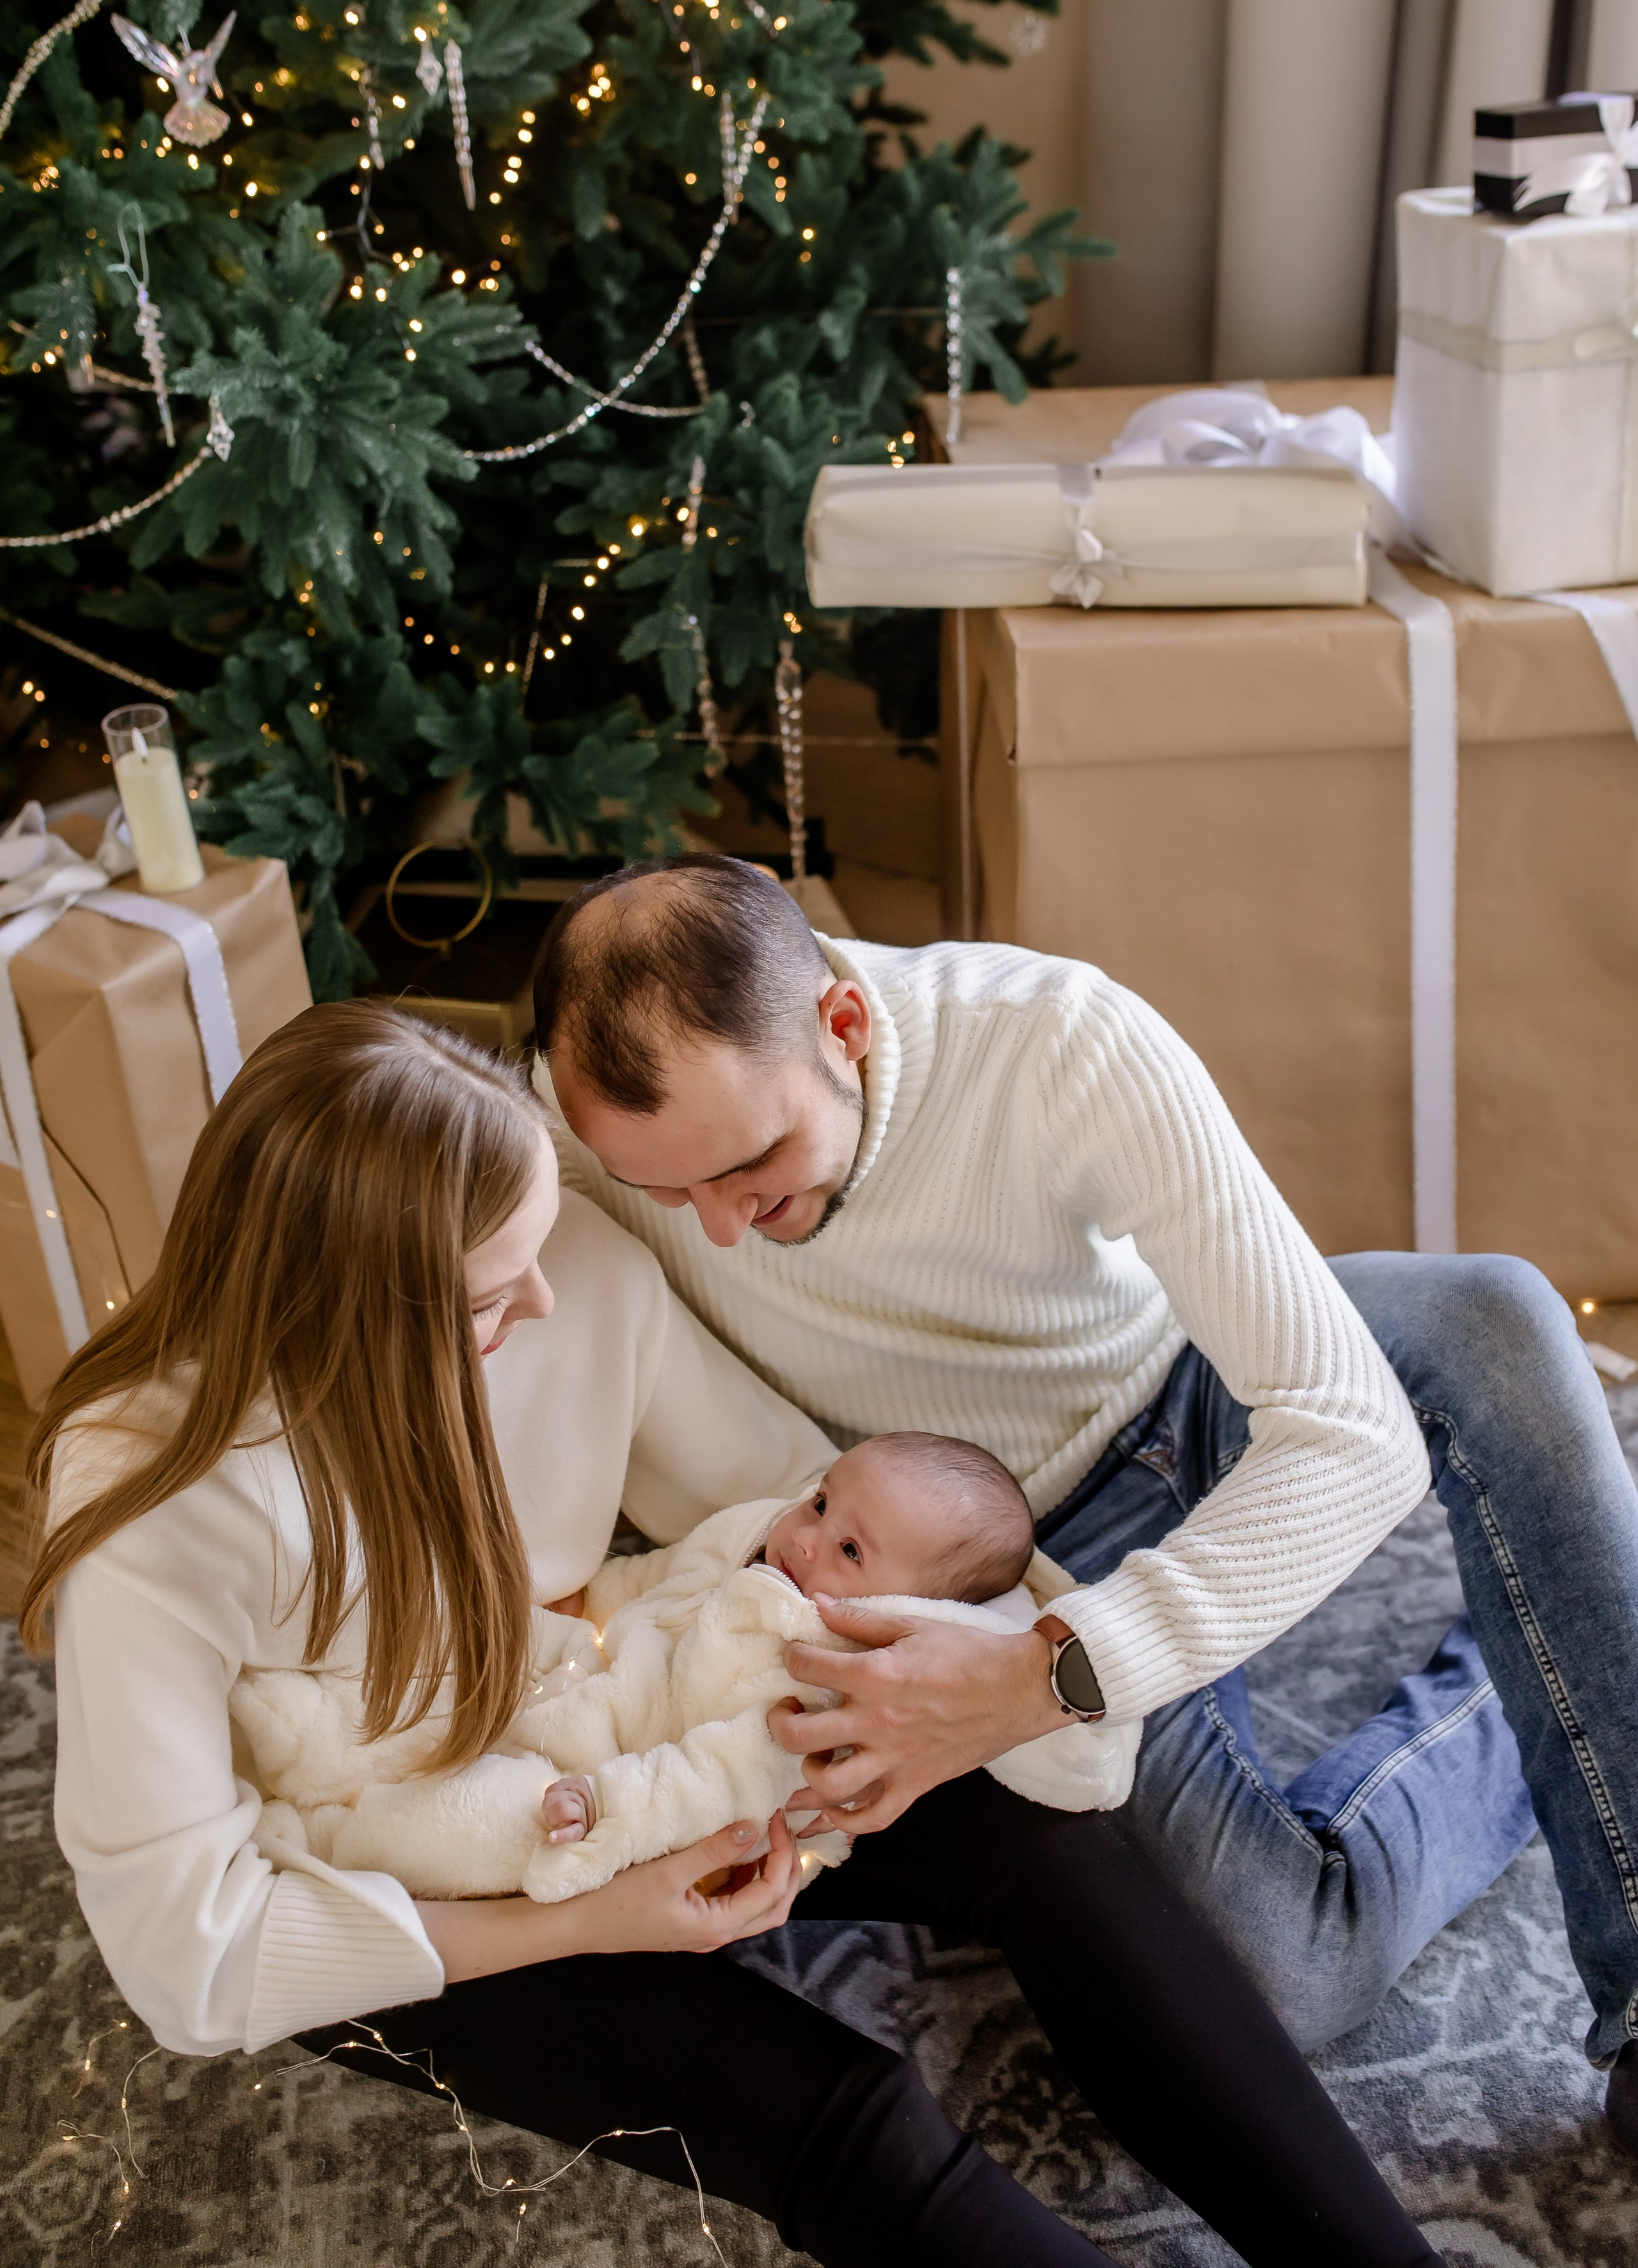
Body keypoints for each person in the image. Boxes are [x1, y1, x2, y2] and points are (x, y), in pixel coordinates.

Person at [21, 1002, 1445, 2268]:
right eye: (483, 1299)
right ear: (347, 1321)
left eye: (537, 1245)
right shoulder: (156, 1501)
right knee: (843, 2119)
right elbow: (192, 1955)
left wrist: (958, 1702)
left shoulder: (565, 1275)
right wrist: (590, 1920)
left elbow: (795, 1513)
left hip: (627, 1729)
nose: (546, 1300)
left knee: (1041, 1846)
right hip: (405, 1868)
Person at [532, 854, 1638, 2147]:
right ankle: (1545, 1680)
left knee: (1499, 1322)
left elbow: (1348, 1431)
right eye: (669, 1196)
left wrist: (1053, 1679)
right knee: (1289, 1978)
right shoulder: (577, 1142)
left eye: (754, 1164)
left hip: (1182, 1382)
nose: (719, 1231)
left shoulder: (1052, 1038)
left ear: (840, 1028)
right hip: (988, 1549)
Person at [232, 1430, 1118, 1903]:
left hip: (632, 1800)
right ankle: (314, 1738)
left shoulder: (833, 1680)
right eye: (819, 1502)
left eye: (848, 1547)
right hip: (596, 1677)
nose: (803, 1536)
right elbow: (666, 1573)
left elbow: (726, 1781)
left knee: (495, 1822)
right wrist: (592, 1601)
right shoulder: (757, 1537)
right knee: (470, 1661)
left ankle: (343, 1843)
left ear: (912, 1609)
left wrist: (608, 1807)